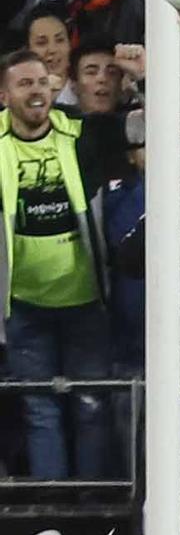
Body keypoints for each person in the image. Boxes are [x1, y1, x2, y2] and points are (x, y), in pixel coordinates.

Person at [0, 49, 130, 478]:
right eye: (24, 84)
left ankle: (93, 503)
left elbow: (144, 126)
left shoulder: (79, 131)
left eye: (41, 82)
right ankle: (53, 506)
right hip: (22, 306)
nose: (36, 91)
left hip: (85, 301)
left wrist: (144, 80)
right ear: (4, 96)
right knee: (41, 410)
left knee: (91, 405)